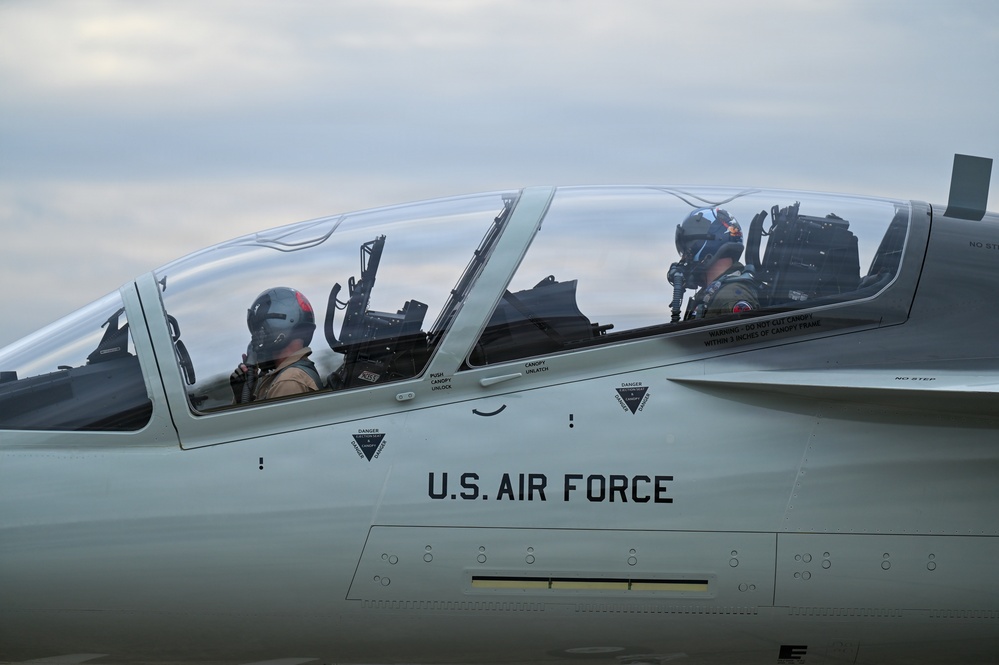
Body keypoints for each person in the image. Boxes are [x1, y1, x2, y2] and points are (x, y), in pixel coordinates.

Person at [230, 287, 322, 403]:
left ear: (279, 327)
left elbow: (258, 422)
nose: (256, 340)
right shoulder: (287, 375)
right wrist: (241, 396)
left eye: (260, 332)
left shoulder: (288, 381)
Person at [673, 207, 759, 320]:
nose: (684, 259)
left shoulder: (730, 297)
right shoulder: (713, 294)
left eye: (687, 253)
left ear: (705, 248)